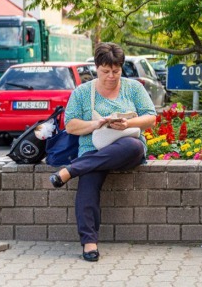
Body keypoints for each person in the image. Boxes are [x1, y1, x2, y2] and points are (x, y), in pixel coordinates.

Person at [48, 43, 157, 262]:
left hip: (126, 149)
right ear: (96, 68)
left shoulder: (133, 87)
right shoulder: (82, 92)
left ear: (121, 68)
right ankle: (89, 242)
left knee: (133, 146)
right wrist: (96, 124)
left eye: (115, 71)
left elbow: (151, 117)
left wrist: (126, 124)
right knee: (88, 183)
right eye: (105, 71)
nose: (111, 76)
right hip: (93, 150)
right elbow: (70, 126)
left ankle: (71, 170)